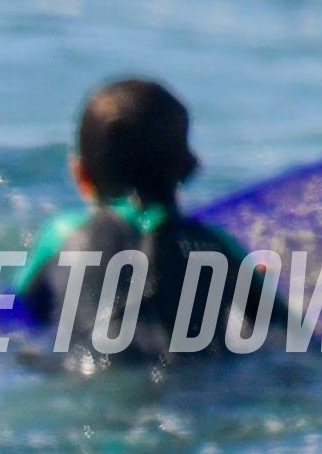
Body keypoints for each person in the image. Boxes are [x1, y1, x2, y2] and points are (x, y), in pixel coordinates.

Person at [17, 77, 273, 360]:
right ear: (187, 167)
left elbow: (14, 313)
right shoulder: (217, 245)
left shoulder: (63, 235)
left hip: (89, 375)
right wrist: (249, 283)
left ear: (81, 174)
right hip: (196, 379)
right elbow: (291, 334)